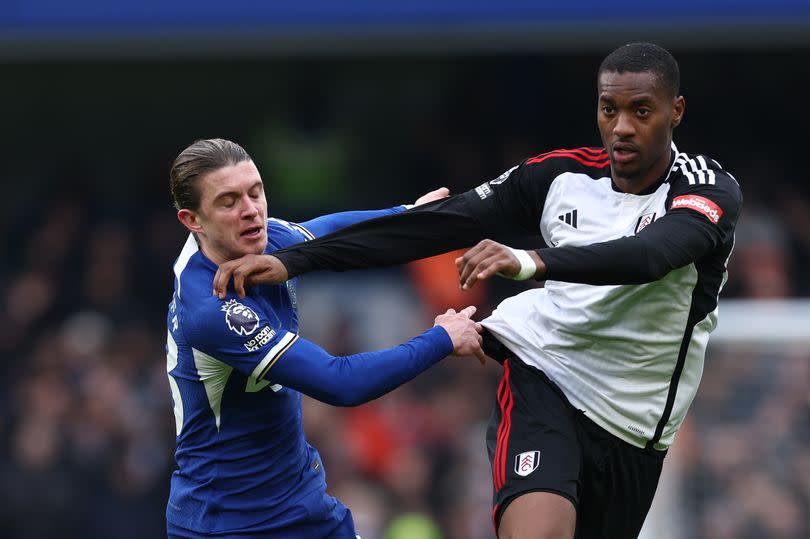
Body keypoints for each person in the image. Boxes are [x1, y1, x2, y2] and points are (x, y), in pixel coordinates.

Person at [212, 43, 743, 539]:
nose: (621, 128)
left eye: (641, 111)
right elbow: (435, 225)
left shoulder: (707, 190)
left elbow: (649, 257)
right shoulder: (560, 176)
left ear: (676, 111)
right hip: (547, 377)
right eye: (609, 109)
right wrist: (292, 261)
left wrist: (529, 259)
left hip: (635, 427)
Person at [164, 138, 486, 539]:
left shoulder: (260, 240)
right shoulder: (210, 309)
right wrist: (440, 339)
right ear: (192, 220)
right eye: (228, 202)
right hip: (231, 523)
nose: (251, 211)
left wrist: (406, 215)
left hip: (302, 505)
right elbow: (339, 381)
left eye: (255, 192)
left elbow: (329, 231)